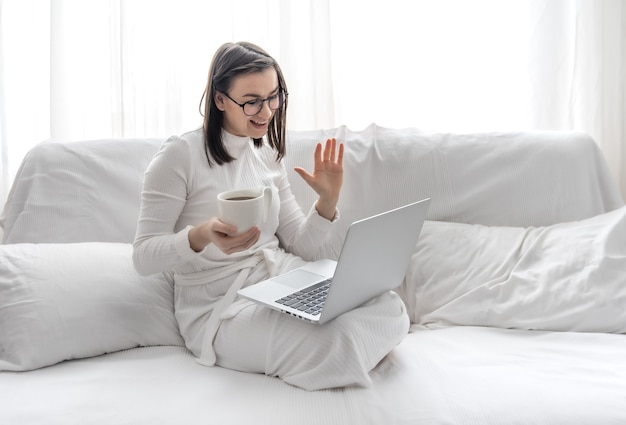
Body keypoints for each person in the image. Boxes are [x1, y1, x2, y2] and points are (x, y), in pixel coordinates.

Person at [133, 41, 409, 391]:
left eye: (274, 96)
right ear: (220, 100)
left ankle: (348, 349)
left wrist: (326, 201)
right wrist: (199, 235)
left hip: (281, 277)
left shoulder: (266, 153)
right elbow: (142, 256)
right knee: (333, 343)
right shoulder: (180, 155)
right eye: (252, 101)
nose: (266, 112)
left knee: (389, 303)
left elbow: (300, 245)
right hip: (220, 305)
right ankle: (352, 350)